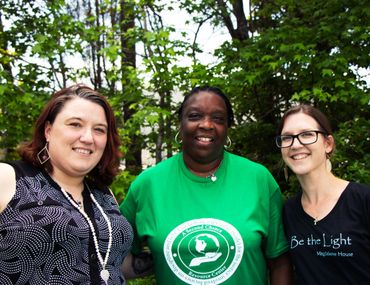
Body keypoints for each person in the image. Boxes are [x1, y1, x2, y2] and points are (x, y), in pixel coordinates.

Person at [120, 86, 293, 284]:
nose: (207, 125)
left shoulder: (258, 179)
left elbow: (279, 261)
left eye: (218, 119)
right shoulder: (148, 185)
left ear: (227, 128)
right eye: (194, 116)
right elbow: (111, 253)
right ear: (180, 124)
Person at [0, 84, 133, 285]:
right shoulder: (9, 178)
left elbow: (113, 263)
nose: (88, 138)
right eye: (75, 124)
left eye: (99, 129)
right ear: (48, 130)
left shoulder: (104, 196)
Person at [275, 104, 370, 284]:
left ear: (328, 144)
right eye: (287, 138)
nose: (295, 145)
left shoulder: (363, 200)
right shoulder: (288, 211)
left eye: (307, 135)